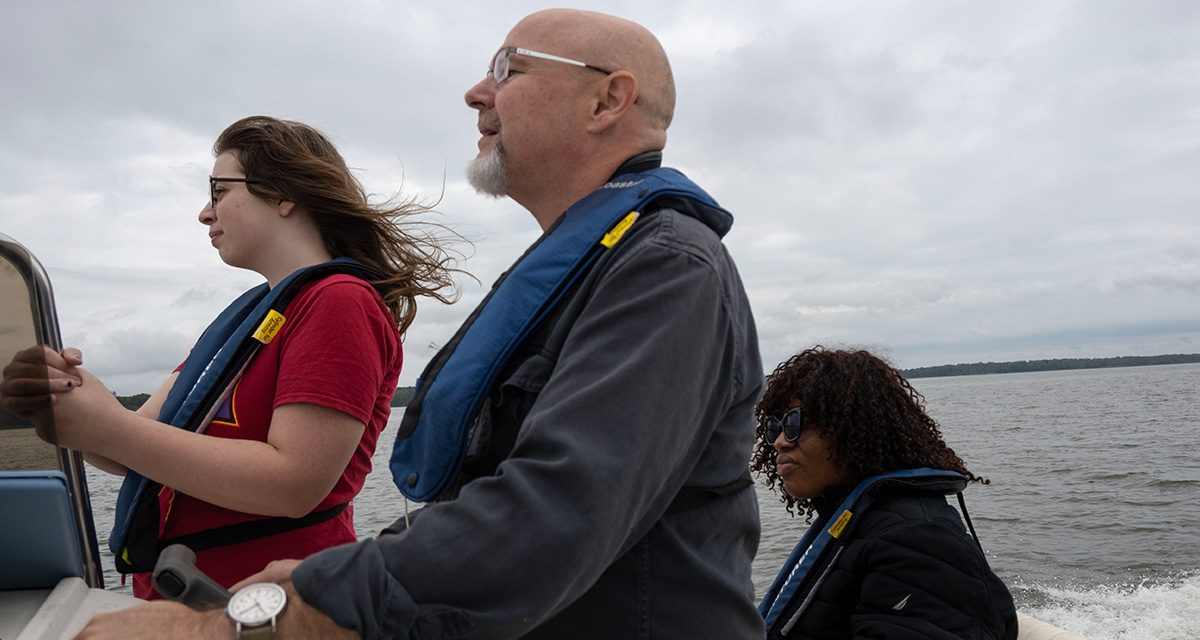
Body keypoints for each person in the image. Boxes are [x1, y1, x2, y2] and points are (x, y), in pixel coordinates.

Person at [69, 8, 764, 640]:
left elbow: (554, 515)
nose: (475, 93)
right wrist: (338, 573)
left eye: (506, 69)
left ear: (607, 100)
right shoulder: (596, 266)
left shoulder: (668, 269)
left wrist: (264, 619)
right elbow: (492, 499)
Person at [0, 115, 456, 598]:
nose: (204, 212)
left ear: (284, 195)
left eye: (218, 191)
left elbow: (294, 482)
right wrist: (70, 402)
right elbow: (127, 448)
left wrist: (109, 426)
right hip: (190, 599)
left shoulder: (339, 301)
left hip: (270, 606)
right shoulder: (245, 321)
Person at [753, 346, 1018, 639]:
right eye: (774, 427)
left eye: (793, 423)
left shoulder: (918, 538)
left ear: (850, 427)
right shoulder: (857, 521)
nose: (779, 442)